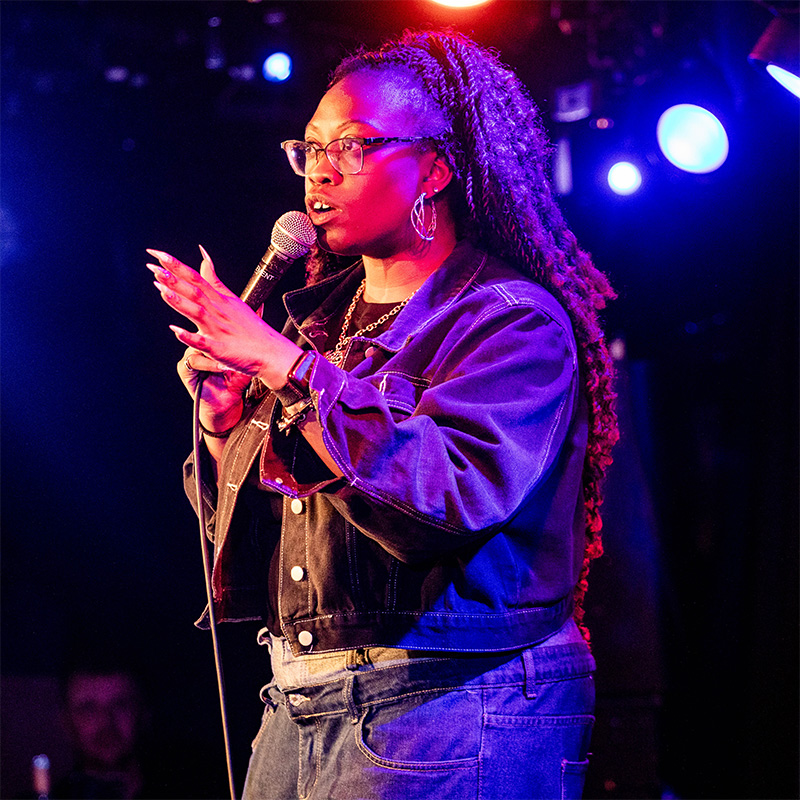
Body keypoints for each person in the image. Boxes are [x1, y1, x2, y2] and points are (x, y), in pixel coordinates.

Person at [148, 28, 617, 800]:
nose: (321, 170)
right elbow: (273, 529)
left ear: (434, 168)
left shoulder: (510, 320)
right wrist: (224, 423)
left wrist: (286, 368)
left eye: (354, 146)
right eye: (310, 148)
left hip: (452, 698)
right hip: (301, 698)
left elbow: (448, 497)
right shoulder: (317, 328)